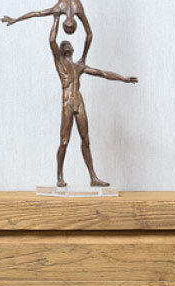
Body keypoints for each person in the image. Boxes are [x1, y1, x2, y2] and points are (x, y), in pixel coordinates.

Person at [49, 16, 137, 187]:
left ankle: (93, 177)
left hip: (79, 102)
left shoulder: (79, 66)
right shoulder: (59, 63)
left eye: (68, 44)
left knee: (86, 140)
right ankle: (59, 177)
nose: (65, 45)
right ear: (60, 50)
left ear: (72, 49)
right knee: (64, 141)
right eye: (63, 44)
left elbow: (102, 73)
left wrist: (123, 78)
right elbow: (52, 40)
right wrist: (56, 18)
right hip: (67, 102)